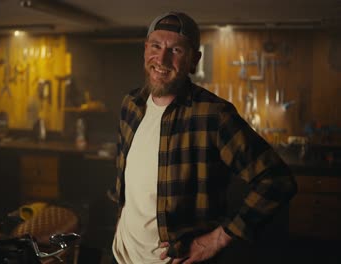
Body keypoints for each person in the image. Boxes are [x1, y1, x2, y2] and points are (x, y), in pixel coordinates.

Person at [111, 11, 297, 264]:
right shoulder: (131, 104)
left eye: (175, 50)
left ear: (193, 60)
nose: (162, 58)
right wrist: (121, 218)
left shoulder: (214, 115)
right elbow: (129, 179)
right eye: (156, 46)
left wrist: (219, 238)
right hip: (121, 253)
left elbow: (277, 180)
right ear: (145, 50)